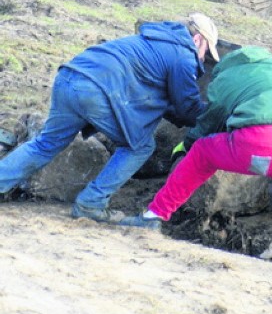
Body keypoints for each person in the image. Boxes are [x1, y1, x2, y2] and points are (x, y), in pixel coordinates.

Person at [120, 46, 272, 279]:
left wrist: (186, 146)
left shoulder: (225, 79)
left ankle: (154, 215)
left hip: (252, 148)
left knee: (201, 153)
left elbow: (210, 122)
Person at [0, 13, 219, 222]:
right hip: (95, 91)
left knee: (46, 143)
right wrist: (216, 116)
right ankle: (91, 204)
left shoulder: (153, 39)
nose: (203, 58)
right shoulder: (183, 55)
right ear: (198, 39)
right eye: (206, 52)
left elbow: (163, 99)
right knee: (140, 147)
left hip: (69, 76)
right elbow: (187, 107)